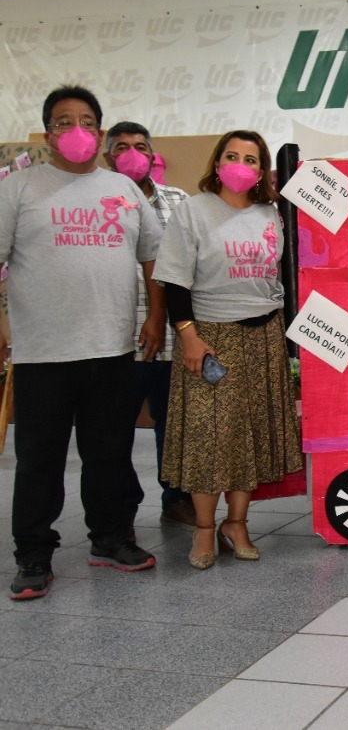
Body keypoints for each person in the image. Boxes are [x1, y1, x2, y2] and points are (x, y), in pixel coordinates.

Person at [2, 85, 164, 601]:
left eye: (87, 122)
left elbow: (153, 257)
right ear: (48, 133)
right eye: (64, 121)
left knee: (110, 454)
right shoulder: (19, 188)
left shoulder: (123, 188)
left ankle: (110, 538)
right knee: (39, 461)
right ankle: (33, 555)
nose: (77, 130)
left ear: (100, 131)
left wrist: (156, 315)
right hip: (43, 352)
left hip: (112, 348)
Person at [153, 129, 303, 570]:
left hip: (265, 334)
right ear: (217, 163)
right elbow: (174, 280)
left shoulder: (271, 214)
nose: (241, 165)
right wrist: (188, 335)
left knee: (250, 433)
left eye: (251, 159)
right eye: (232, 156)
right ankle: (204, 528)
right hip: (211, 337)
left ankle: (236, 524)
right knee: (209, 436)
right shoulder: (194, 211)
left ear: (261, 170)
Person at [103, 121, 195, 528]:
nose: (132, 154)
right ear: (108, 157)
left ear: (152, 154)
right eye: (122, 147)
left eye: (140, 146)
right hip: (117, 338)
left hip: (174, 336)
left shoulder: (179, 201)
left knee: (175, 425)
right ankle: (122, 506)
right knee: (113, 427)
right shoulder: (98, 202)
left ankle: (176, 498)